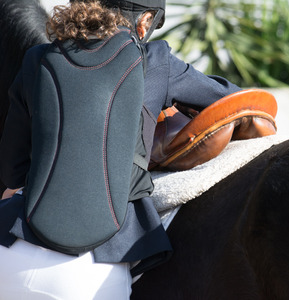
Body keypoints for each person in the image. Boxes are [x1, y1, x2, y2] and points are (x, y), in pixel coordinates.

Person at [0, 0, 241, 299]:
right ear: (145, 22)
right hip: (95, 272)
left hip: (11, 253)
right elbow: (231, 100)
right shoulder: (156, 59)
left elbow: (12, 170)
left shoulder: (37, 58)